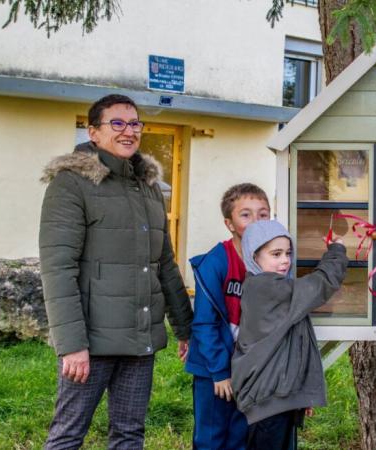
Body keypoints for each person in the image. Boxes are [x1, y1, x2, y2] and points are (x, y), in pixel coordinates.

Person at [39, 94, 193, 449]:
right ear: (93, 132)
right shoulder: (71, 184)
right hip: (91, 343)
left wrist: (186, 328)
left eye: (135, 123)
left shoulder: (149, 187)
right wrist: (72, 345)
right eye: (118, 123)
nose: (129, 131)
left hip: (140, 340)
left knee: (129, 435)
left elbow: (164, 264)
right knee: (67, 436)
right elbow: (57, 268)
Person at [232, 220, 348, 450]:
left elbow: (288, 348)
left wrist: (298, 396)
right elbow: (320, 284)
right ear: (254, 257)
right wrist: (337, 251)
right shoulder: (265, 288)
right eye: (276, 254)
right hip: (268, 401)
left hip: (274, 399)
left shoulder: (270, 286)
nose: (285, 260)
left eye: (288, 253)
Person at [186, 183, 271, 449]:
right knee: (211, 437)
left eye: (263, 214)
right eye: (246, 215)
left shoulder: (274, 261)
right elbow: (205, 322)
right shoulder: (216, 261)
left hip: (250, 368)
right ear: (230, 224)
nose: (256, 221)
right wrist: (220, 372)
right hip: (215, 367)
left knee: (241, 437)